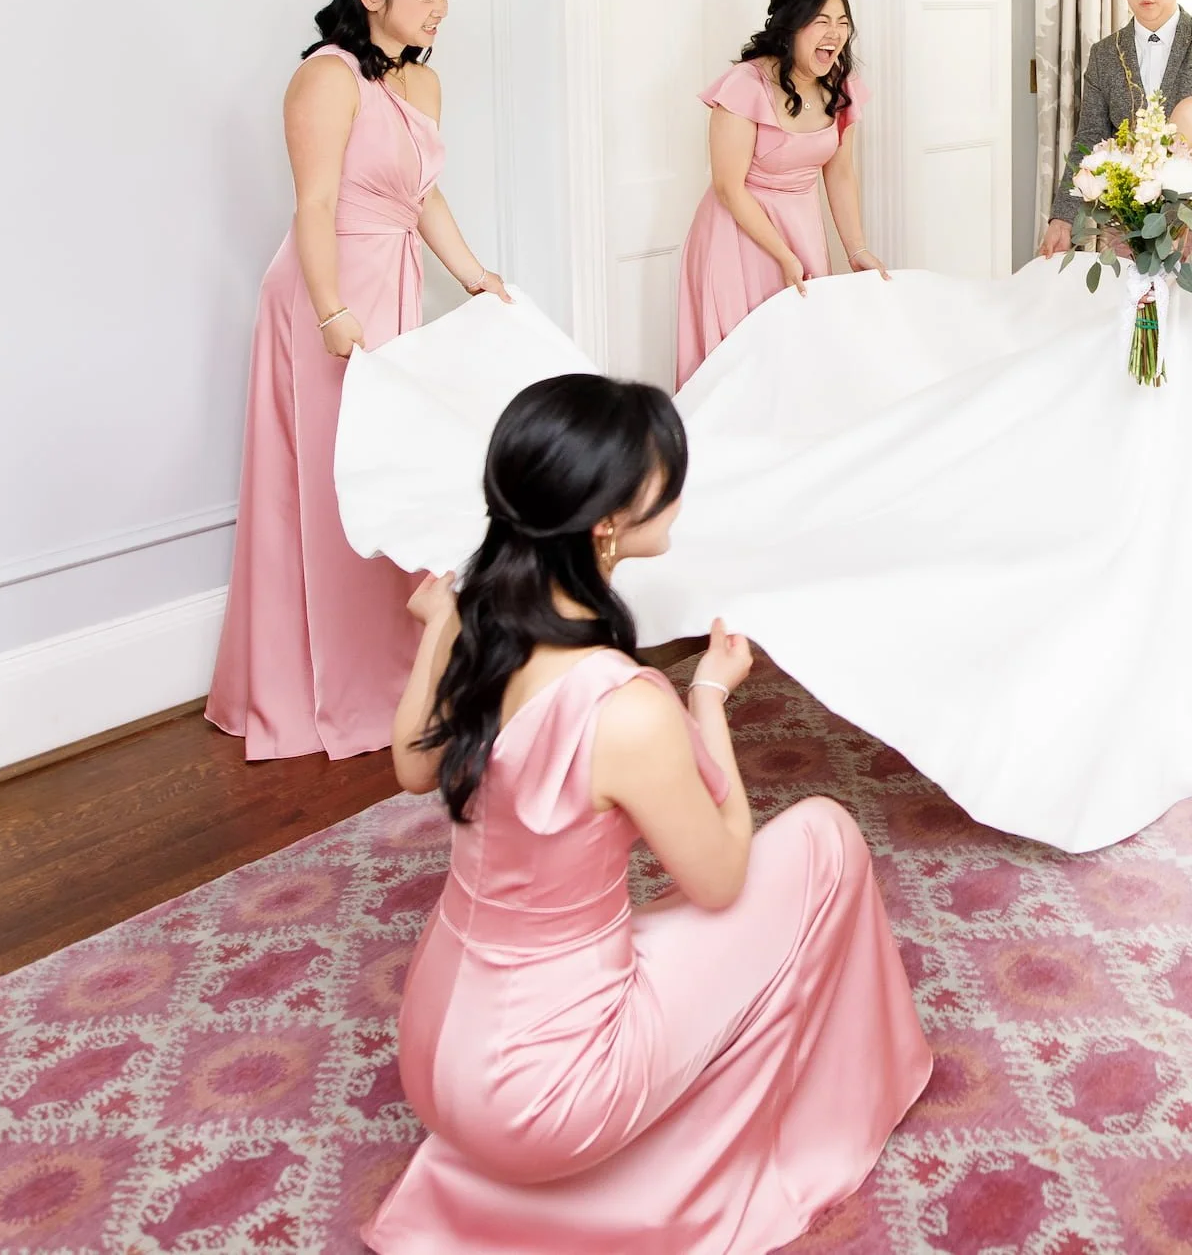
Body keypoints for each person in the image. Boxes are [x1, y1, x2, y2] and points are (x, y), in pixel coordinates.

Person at [334, 0, 1192, 856]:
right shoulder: (1189, 114)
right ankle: (1170, 670)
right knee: (1167, 503)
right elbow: (1138, 217)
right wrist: (1142, 242)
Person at [365, 374, 929, 1253]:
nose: (675, 480)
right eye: (657, 472)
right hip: (537, 1095)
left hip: (433, 1054)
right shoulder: (625, 706)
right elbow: (721, 879)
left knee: (649, 925)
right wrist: (707, 699)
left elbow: (410, 764)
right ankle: (821, 1114)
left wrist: (440, 622)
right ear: (605, 526)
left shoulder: (486, 625)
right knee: (825, 835)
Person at [208, 0, 508, 760]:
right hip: (326, 289)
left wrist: (475, 273)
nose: (441, 11)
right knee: (333, 480)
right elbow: (314, 205)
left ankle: (400, 673)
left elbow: (422, 196)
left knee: (392, 473)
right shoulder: (324, 77)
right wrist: (333, 311)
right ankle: (320, 686)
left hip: (396, 282)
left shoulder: (423, 80)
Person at [675, 0, 884, 388]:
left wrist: (856, 249)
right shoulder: (744, 86)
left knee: (801, 361)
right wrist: (784, 255)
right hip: (738, 234)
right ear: (790, 26)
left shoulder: (841, 86)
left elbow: (839, 173)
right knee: (742, 365)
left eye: (843, 21)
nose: (836, 33)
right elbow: (728, 188)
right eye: (822, 21)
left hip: (801, 228)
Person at [1038, 0, 1192, 258]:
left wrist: (1191, 220)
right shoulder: (1104, 55)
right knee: (1135, 306)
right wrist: (1063, 219)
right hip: (1127, 224)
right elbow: (1090, 138)